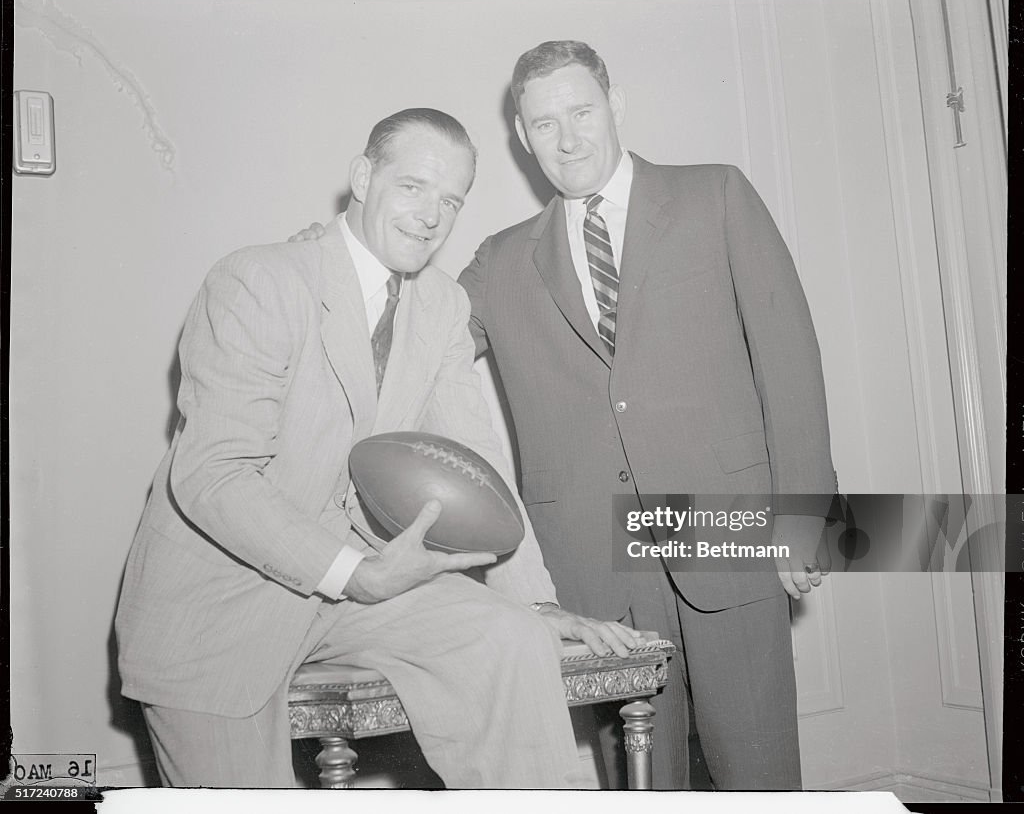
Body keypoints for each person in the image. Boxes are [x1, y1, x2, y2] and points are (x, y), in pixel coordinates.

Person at [115, 107, 642, 790]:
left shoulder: (443, 307)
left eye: (451, 200)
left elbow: (476, 462)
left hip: (360, 591)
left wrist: (535, 605)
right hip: (221, 605)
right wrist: (353, 574)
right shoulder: (259, 281)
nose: (432, 216)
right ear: (363, 177)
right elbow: (212, 476)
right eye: (413, 187)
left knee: (511, 641)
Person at [455, 42, 838, 790]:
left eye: (581, 112)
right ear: (522, 137)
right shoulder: (500, 261)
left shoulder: (715, 196)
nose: (565, 139)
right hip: (595, 557)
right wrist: (347, 259)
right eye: (542, 125)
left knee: (756, 769)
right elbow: (418, 335)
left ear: (616, 105)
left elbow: (789, 357)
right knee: (642, 780)